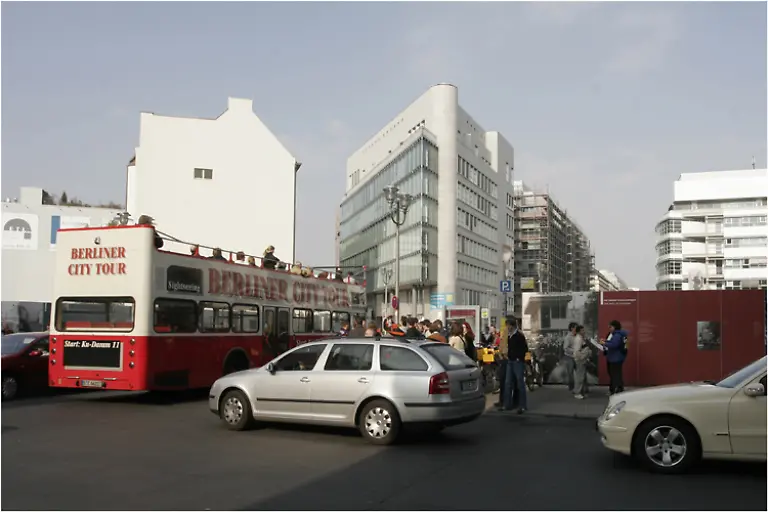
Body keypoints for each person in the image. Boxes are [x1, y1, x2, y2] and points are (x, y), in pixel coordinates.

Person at [503, 317, 529, 413]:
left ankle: (522, 405)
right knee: (508, 383)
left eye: (508, 326)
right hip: (510, 361)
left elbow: (525, 348)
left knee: (520, 383)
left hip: (518, 361)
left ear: (512, 326)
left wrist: (518, 357)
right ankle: (507, 404)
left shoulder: (519, 335)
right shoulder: (510, 336)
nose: (507, 328)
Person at [601, 320, 629, 395]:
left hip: (615, 358)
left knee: (615, 375)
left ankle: (616, 390)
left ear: (615, 327)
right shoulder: (619, 334)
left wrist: (604, 343)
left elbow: (614, 345)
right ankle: (619, 388)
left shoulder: (617, 335)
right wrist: (606, 341)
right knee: (617, 374)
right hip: (617, 357)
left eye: (610, 327)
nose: (609, 328)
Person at [572, 325, 591, 399]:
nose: (584, 331)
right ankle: (577, 392)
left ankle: (581, 391)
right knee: (579, 377)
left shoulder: (581, 338)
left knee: (582, 376)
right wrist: (581, 358)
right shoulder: (578, 339)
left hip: (582, 360)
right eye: (583, 330)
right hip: (580, 360)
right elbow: (577, 351)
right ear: (579, 331)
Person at [562, 322, 577, 393]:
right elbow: (565, 348)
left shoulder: (577, 336)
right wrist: (574, 351)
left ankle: (579, 387)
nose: (577, 329)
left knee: (579, 372)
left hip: (577, 356)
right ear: (572, 328)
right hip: (569, 357)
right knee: (570, 373)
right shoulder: (568, 337)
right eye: (575, 327)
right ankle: (572, 387)